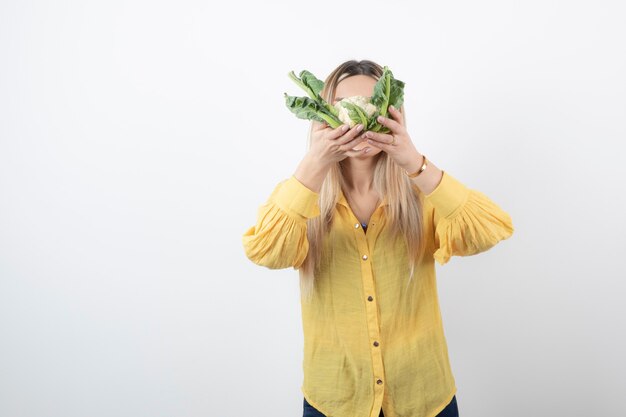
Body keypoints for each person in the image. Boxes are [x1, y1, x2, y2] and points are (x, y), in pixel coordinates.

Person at [242, 59, 514, 417]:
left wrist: (414, 162)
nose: (357, 121)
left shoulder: (422, 195)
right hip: (336, 399)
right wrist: (314, 164)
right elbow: (265, 252)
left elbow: (490, 229)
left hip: (423, 397)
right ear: (324, 115)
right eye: (341, 107)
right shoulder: (300, 196)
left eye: (370, 105)